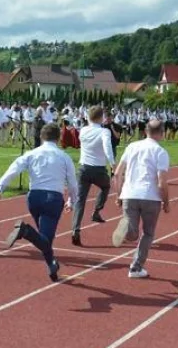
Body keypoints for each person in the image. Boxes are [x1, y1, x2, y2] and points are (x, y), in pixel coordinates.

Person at [0, 124, 78, 281]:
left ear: (41, 136)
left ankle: (52, 265)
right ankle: (25, 231)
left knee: (44, 239)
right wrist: (72, 201)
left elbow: (14, 168)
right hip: (53, 199)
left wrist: (0, 188)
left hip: (34, 198)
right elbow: (73, 184)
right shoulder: (64, 157)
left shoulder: (31, 154)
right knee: (45, 237)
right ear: (58, 138)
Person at [111, 118, 171, 278]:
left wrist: (119, 195)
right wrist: (166, 201)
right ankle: (136, 268)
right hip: (150, 196)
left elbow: (117, 174)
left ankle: (128, 230)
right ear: (162, 134)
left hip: (129, 194)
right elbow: (162, 182)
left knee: (133, 233)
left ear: (145, 131)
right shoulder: (161, 152)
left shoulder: (131, 146)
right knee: (148, 233)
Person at [69, 105, 115, 246]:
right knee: (106, 186)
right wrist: (113, 164)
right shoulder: (104, 132)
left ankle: (75, 230)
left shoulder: (83, 130)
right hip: (98, 169)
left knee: (80, 201)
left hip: (83, 168)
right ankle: (96, 211)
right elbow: (107, 148)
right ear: (102, 118)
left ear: (88, 117)